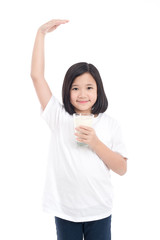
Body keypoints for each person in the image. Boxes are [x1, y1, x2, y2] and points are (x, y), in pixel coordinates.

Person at [31, 19, 128, 240]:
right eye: (75, 88)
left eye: (88, 88)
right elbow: (36, 77)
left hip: (99, 210)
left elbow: (122, 168)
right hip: (66, 211)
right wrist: (41, 34)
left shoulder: (109, 123)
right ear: (67, 90)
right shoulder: (59, 116)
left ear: (98, 90)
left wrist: (95, 143)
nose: (82, 94)